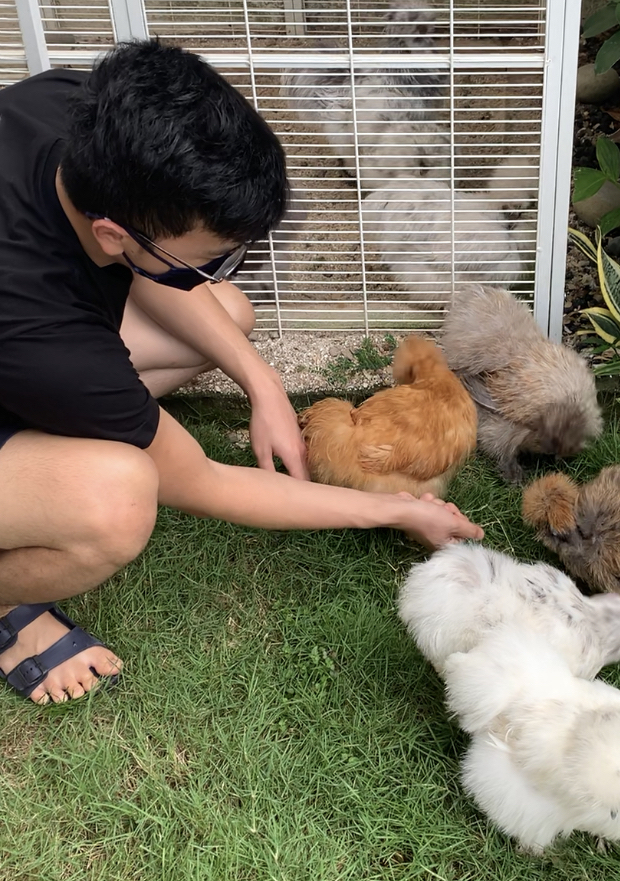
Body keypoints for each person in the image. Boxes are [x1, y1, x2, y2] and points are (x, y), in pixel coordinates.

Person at [0, 39, 483, 705]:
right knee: (115, 498)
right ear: (114, 233)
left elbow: (161, 270)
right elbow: (206, 481)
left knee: (227, 316)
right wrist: (390, 507)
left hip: (35, 351)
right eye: (212, 257)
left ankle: (48, 434)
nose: (220, 268)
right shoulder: (47, 341)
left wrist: (265, 387)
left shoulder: (70, 110)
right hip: (28, 351)